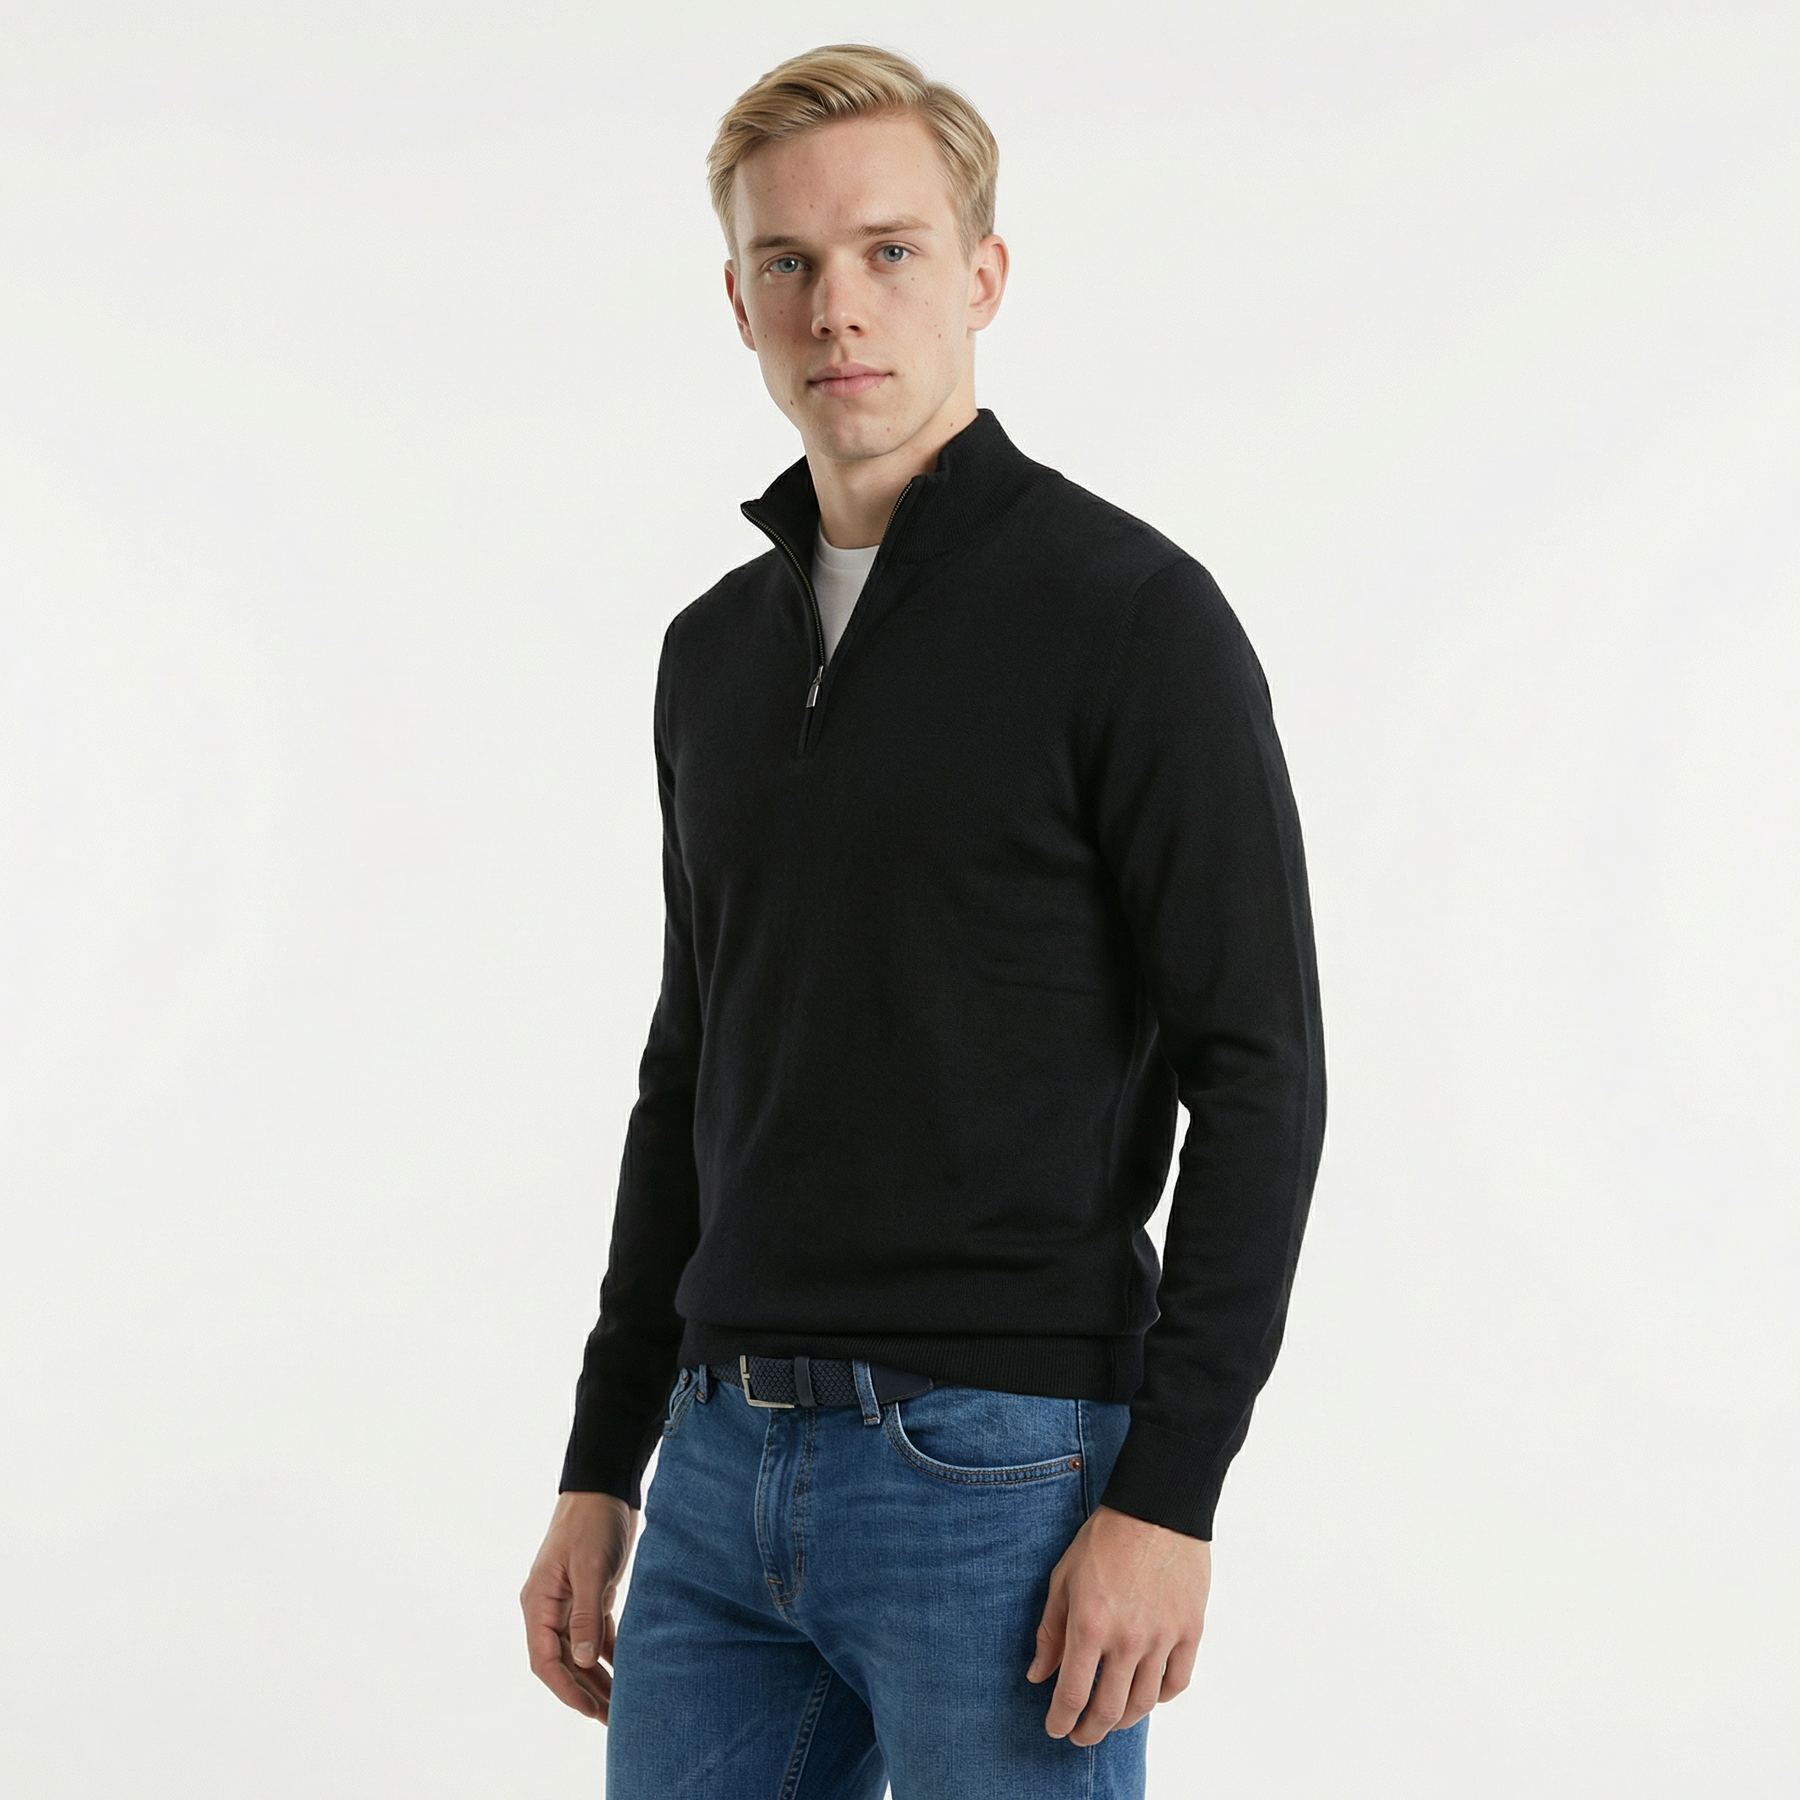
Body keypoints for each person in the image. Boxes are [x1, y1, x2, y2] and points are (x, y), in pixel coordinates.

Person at [520, 42, 1325, 1800]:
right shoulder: (711, 656)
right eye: (789, 263)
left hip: (1004, 1477)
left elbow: (1261, 1073)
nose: (839, 307)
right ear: (737, 301)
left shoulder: (1130, 617)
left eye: (890, 250)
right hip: (715, 1473)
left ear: (983, 275)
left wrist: (1170, 1494)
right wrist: (602, 1458)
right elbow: (693, 1072)